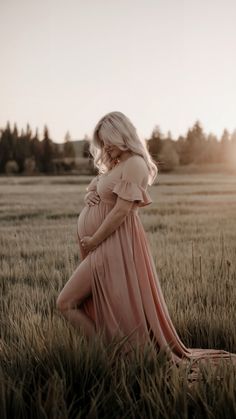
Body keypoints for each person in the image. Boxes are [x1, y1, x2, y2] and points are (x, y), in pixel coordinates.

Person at [56, 111, 236, 380]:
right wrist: (91, 192)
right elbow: (100, 187)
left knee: (65, 302)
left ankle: (109, 359)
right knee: (87, 304)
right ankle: (112, 357)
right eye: (102, 142)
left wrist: (94, 240)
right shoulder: (118, 164)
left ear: (123, 135)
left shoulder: (135, 164)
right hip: (104, 247)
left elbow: (121, 212)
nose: (105, 147)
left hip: (112, 246)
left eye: (109, 140)